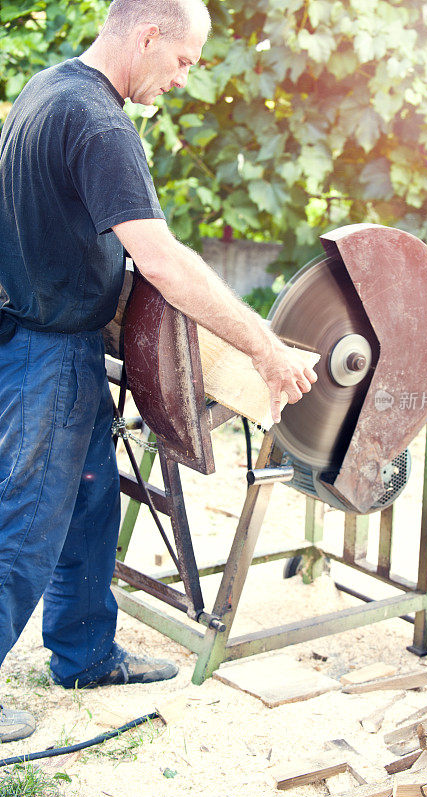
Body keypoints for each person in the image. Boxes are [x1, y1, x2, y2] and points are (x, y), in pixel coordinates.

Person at [0, 0, 317, 742]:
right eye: (183, 61)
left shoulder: (50, 87)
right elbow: (165, 262)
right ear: (147, 36)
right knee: (24, 524)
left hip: (39, 333)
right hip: (48, 350)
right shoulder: (103, 124)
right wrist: (265, 347)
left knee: (87, 505)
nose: (185, 77)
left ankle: (85, 654)